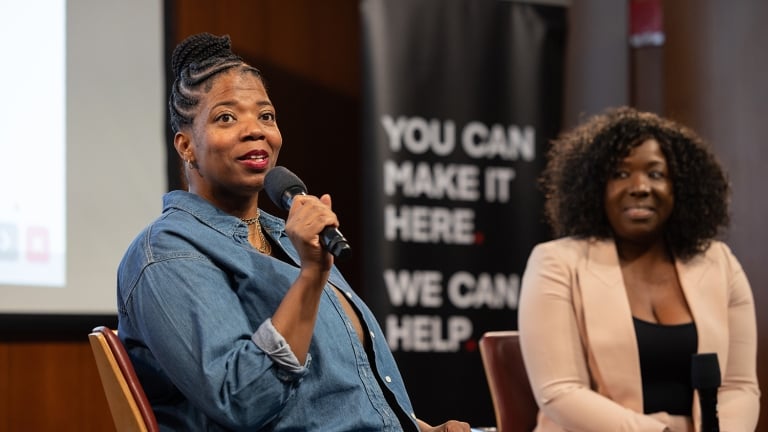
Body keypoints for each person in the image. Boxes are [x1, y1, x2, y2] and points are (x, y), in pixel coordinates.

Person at [116, 32, 470, 432]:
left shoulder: (286, 235)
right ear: (186, 146)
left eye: (265, 115)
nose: (256, 130)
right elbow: (241, 401)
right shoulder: (166, 254)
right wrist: (312, 275)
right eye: (226, 117)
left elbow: (330, 397)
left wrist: (419, 428)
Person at [517, 107, 760, 432]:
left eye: (656, 174)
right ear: (593, 188)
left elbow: (739, 387)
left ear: (680, 188)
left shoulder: (720, 263)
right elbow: (560, 392)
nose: (640, 187)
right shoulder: (556, 263)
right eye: (620, 174)